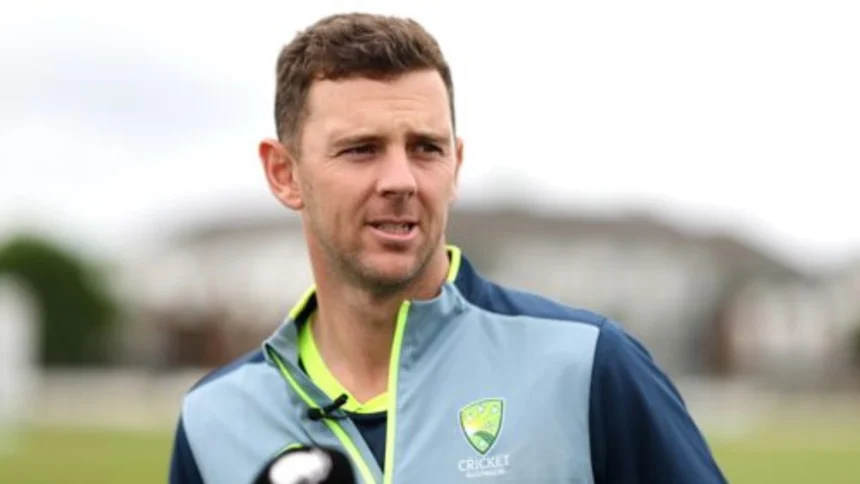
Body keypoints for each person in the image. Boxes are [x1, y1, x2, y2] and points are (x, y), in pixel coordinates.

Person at [168, 12, 727, 484]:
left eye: (425, 148)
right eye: (361, 150)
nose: (401, 180)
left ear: (455, 166)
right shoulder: (216, 421)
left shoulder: (586, 366)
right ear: (284, 173)